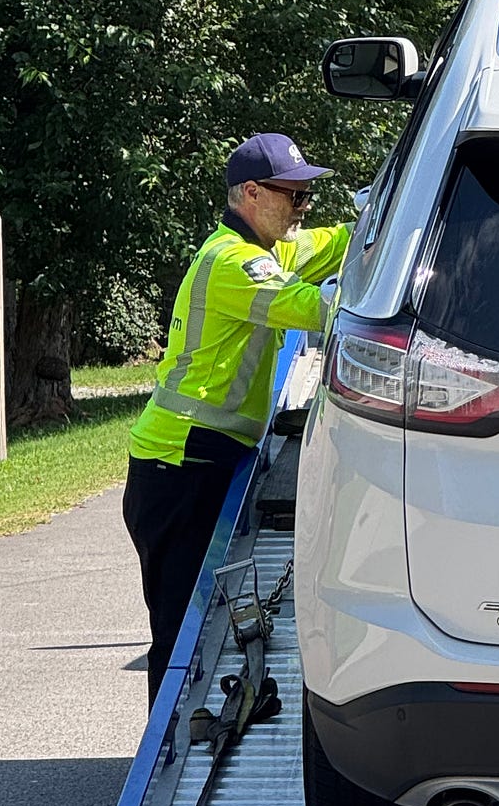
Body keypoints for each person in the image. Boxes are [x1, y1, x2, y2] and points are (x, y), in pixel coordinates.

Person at [123, 133, 351, 706]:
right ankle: (166, 738)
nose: (303, 208)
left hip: (206, 454)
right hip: (179, 463)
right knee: (181, 628)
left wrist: (384, 222)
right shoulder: (233, 262)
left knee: (204, 620)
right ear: (251, 193)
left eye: (307, 197)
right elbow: (317, 308)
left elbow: (337, 242)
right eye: (293, 196)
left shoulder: (271, 249)